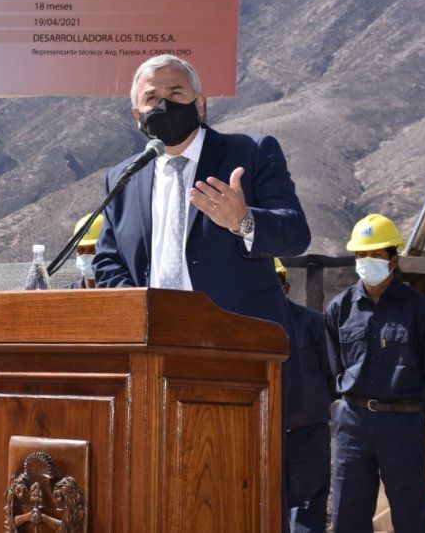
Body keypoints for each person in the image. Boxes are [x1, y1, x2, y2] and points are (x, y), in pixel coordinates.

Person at [93, 53, 310, 377]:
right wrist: (137, 309)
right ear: (137, 115)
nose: (164, 104)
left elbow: (295, 234)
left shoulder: (250, 153)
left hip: (238, 349)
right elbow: (108, 261)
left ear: (200, 104)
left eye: (176, 93)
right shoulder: (122, 177)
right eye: (152, 98)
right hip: (152, 352)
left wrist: (244, 221)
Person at [325, 214, 425, 533]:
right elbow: (335, 366)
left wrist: (409, 413)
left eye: (376, 255)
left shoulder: (422, 312)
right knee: (347, 515)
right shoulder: (340, 309)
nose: (367, 261)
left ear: (393, 260)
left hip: (403, 423)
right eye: (361, 255)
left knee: (410, 514)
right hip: (353, 422)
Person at [277, 258, 335, 533]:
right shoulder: (242, 327)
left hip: (307, 434)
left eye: (274, 283)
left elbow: (332, 373)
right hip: (260, 435)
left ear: (286, 287)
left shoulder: (312, 323)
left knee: (307, 510)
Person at [68, 214, 103, 289]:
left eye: (92, 249)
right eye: (81, 249)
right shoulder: (68, 295)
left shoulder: (124, 290)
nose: (86, 255)